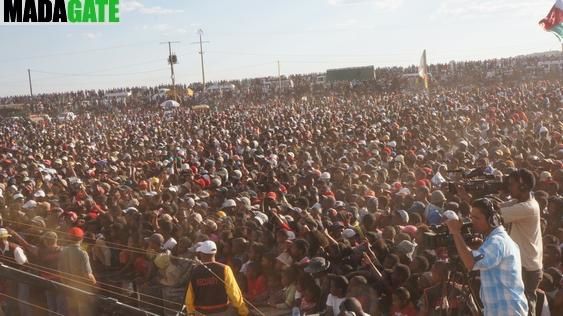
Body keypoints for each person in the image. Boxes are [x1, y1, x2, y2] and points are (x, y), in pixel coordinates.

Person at [446, 197, 528, 316]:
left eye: (477, 218)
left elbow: (470, 263)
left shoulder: (498, 242)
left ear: (493, 220)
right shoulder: (493, 241)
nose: (472, 221)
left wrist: (455, 232)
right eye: (471, 217)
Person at [500, 169, 543, 316]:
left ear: (523, 187)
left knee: (524, 309)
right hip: (524, 265)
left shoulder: (527, 208)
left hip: (527, 267)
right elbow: (499, 206)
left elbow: (494, 215)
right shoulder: (520, 202)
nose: (509, 187)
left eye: (512, 184)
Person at [185, 240, 249, 316]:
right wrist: (243, 311)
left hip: (201, 312)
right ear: (215, 253)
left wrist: (190, 313)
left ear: (201, 254)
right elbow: (234, 292)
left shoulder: (194, 271)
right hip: (222, 311)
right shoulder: (225, 269)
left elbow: (189, 296)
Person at [58, 227, 96, 316]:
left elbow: (60, 270)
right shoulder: (82, 253)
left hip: (69, 285)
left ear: (69, 238)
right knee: (85, 311)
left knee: (72, 311)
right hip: (82, 288)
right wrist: (95, 284)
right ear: (81, 238)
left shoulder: (63, 250)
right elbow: (87, 274)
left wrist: (65, 283)